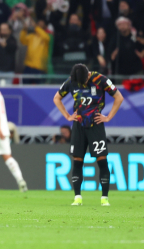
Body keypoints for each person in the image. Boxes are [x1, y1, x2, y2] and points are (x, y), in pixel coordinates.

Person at [53, 63, 124, 207]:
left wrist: (108, 117)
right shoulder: (71, 81)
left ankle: (104, 198)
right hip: (78, 125)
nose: (82, 84)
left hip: (96, 124)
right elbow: (56, 98)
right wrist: (67, 116)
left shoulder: (101, 79)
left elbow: (119, 97)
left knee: (102, 161)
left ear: (88, 74)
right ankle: (77, 197)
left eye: (84, 81)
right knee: (77, 160)